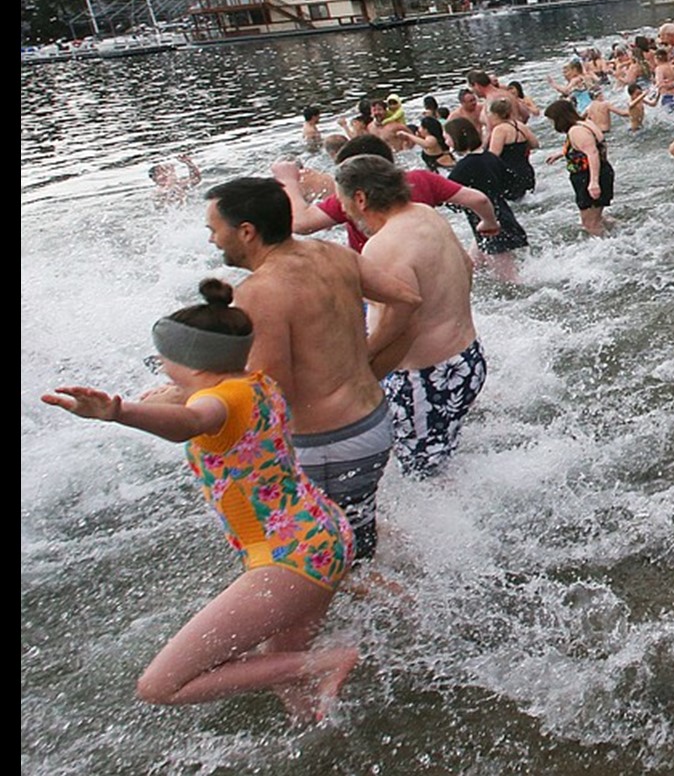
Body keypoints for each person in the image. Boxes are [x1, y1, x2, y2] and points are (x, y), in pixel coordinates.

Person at [41, 278, 359, 721]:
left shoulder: (212, 405)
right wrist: (175, 394)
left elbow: (191, 421)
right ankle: (317, 731)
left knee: (161, 686)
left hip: (288, 557)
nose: (160, 365)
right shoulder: (256, 384)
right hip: (324, 535)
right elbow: (200, 402)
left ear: (187, 360)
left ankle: (329, 661)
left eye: (163, 357)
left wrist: (119, 412)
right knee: (279, 670)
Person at [200, 177, 420, 559]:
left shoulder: (258, 292)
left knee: (333, 560)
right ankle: (404, 583)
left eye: (214, 230)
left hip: (331, 444)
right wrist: (370, 363)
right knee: (356, 535)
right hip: (371, 421)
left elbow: (270, 389)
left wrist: (191, 395)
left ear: (247, 232)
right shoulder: (331, 253)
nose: (212, 241)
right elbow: (408, 300)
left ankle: (410, 610)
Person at [332, 156, 485, 477]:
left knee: (422, 475)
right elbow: (466, 267)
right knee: (440, 457)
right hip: (467, 359)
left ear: (360, 198)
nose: (343, 210)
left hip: (426, 376)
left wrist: (363, 362)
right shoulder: (427, 214)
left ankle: (450, 527)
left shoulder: (382, 245)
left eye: (342, 201)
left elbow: (402, 320)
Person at [273, 135, 500, 253]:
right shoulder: (420, 178)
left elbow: (301, 224)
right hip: (431, 260)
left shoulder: (353, 195)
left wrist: (287, 181)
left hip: (380, 275)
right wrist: (488, 223)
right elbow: (478, 199)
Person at [445, 116, 529, 283]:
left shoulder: (463, 167)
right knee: (472, 266)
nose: (445, 140)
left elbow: (448, 196)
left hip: (486, 223)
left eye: (447, 136)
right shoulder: (491, 157)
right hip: (501, 214)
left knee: (509, 279)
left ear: (457, 138)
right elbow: (512, 183)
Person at [546, 99, 613, 236]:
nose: (552, 124)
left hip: (588, 176)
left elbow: (592, 153)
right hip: (601, 172)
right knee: (597, 218)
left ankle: (611, 248)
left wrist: (593, 183)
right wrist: (561, 153)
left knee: (589, 223)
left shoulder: (576, 131)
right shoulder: (585, 123)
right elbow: (590, 147)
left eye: (552, 120)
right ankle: (623, 233)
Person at [484, 97, 538, 201]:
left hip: (509, 176)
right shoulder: (521, 126)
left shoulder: (499, 130)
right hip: (526, 172)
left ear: (495, 114)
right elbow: (535, 144)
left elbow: (493, 157)